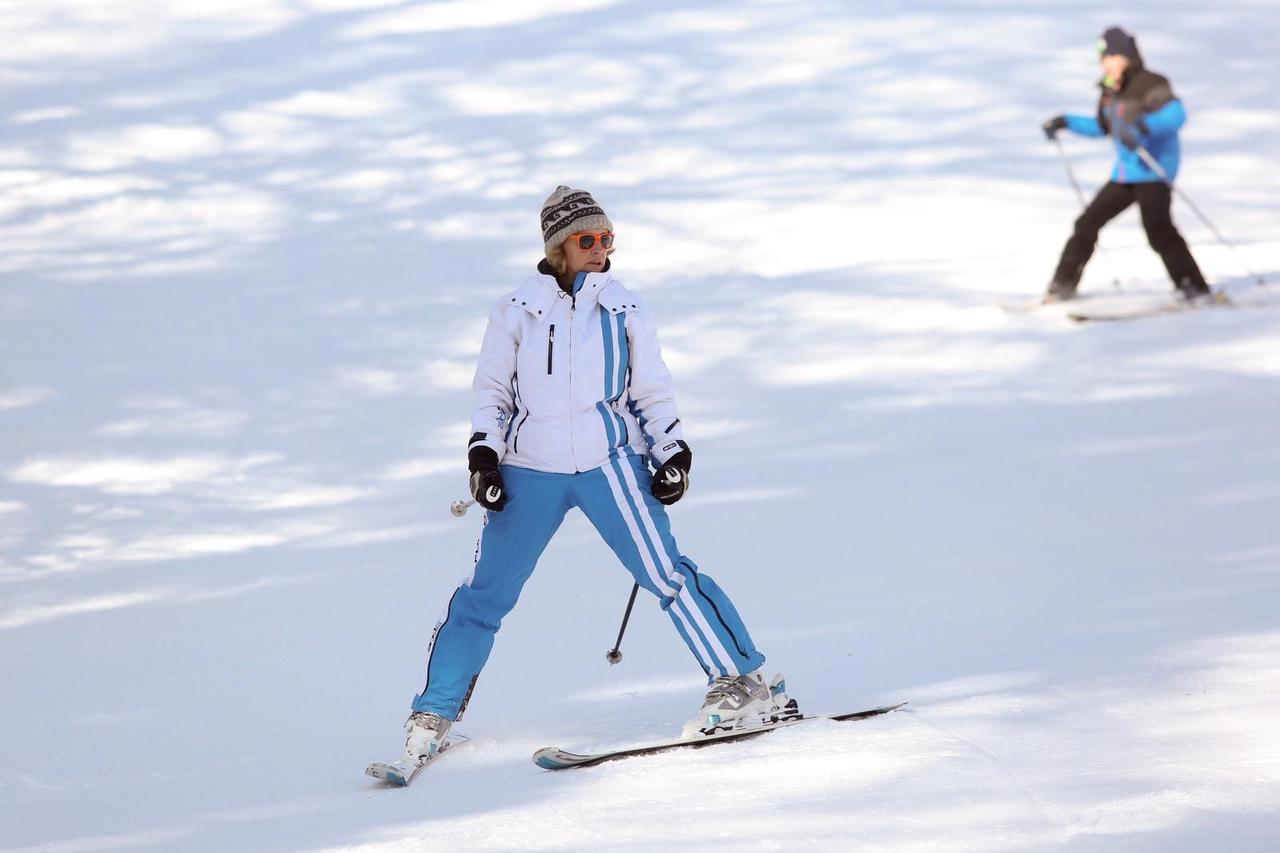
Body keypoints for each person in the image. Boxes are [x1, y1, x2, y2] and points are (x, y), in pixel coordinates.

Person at [396, 186, 794, 768]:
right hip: (531, 468)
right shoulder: (516, 311)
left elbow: (652, 392)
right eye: (587, 239)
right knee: (485, 597)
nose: (600, 248)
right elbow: (492, 396)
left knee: (666, 574)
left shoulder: (626, 308)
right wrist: (483, 458)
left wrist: (673, 452)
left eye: (607, 237)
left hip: (609, 464)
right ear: (559, 245)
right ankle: (433, 715)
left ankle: (743, 681)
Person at [1041, 26, 1211, 303]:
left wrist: (1144, 128)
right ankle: (1061, 288)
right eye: (1103, 59)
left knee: (1158, 230)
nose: (1105, 63)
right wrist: (1065, 122)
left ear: (1126, 56)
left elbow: (1175, 115)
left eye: (1110, 56)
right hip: (1126, 172)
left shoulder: (1150, 83)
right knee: (1086, 224)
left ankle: (1194, 288)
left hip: (1154, 170)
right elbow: (1102, 126)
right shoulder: (1110, 91)